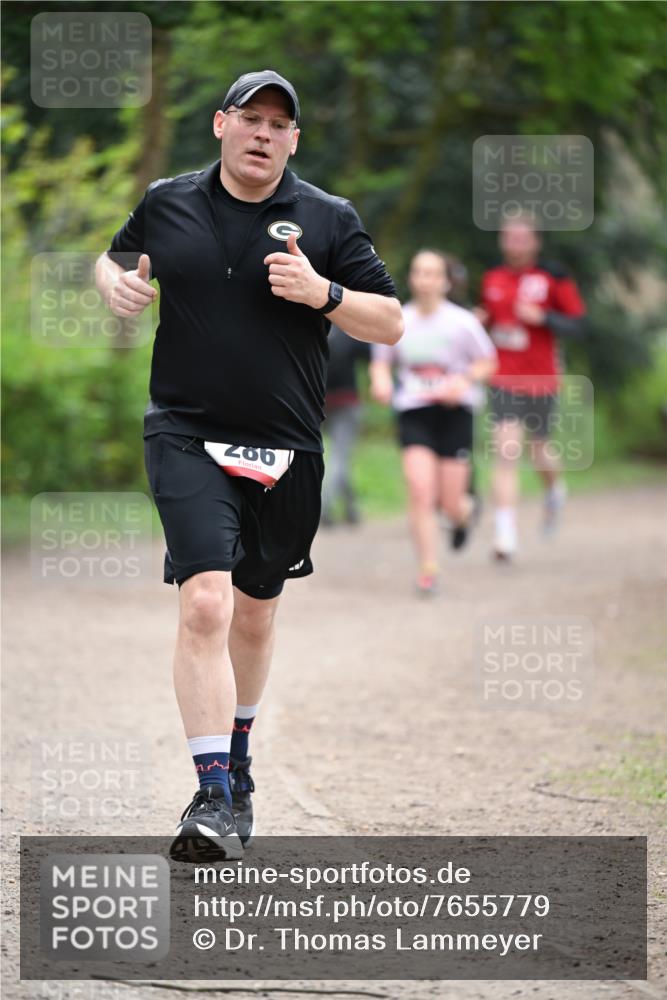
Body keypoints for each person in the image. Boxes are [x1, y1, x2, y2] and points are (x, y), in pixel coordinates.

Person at [96, 70, 402, 861]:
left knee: (256, 609)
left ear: (294, 139)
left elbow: (390, 323)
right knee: (205, 603)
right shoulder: (169, 200)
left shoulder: (326, 218)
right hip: (185, 432)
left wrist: (322, 292)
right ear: (221, 125)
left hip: (288, 443)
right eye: (251, 118)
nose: (264, 133)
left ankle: (238, 758)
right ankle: (212, 794)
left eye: (279, 124)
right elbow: (115, 256)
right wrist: (115, 285)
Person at [370, 249, 496, 595]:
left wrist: (463, 381)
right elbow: (382, 360)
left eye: (432, 273)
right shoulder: (400, 318)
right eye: (419, 272)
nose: (425, 280)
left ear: (445, 281)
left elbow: (488, 361)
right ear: (411, 278)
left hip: (455, 413)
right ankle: (428, 569)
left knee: (451, 503)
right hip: (414, 411)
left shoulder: (462, 322)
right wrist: (380, 380)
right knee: (420, 490)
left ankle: (465, 514)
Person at [478, 215, 586, 561]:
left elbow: (578, 325)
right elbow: (491, 324)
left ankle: (555, 488)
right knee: (506, 450)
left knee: (540, 450)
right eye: (509, 238)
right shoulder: (492, 278)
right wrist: (480, 321)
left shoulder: (553, 277)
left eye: (522, 239)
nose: (515, 244)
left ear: (536, 242)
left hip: (542, 380)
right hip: (504, 378)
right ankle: (505, 533)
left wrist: (545, 319)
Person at [320, 324, 370, 526]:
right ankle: (328, 507)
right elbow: (370, 354)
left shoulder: (310, 330)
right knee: (340, 459)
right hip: (332, 404)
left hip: (328, 404)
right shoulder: (348, 329)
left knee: (338, 459)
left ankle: (343, 508)